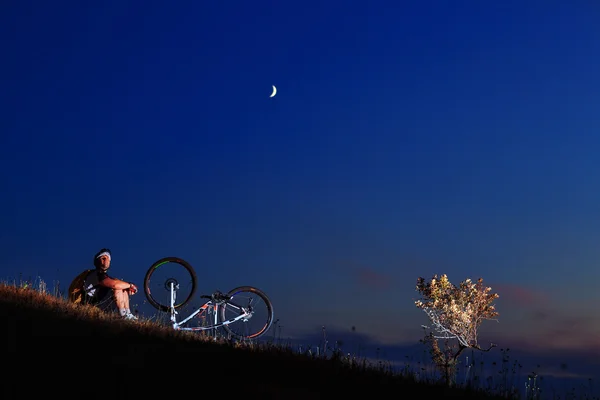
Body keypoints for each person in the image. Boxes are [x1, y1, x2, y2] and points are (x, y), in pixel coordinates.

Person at [83, 248, 139, 320]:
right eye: (103, 258)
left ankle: (128, 314)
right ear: (97, 261)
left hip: (102, 303)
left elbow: (116, 283)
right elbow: (114, 285)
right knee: (118, 286)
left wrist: (128, 288)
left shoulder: (104, 276)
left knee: (122, 286)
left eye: (108, 259)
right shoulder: (97, 274)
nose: (105, 260)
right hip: (94, 305)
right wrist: (131, 285)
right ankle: (123, 315)